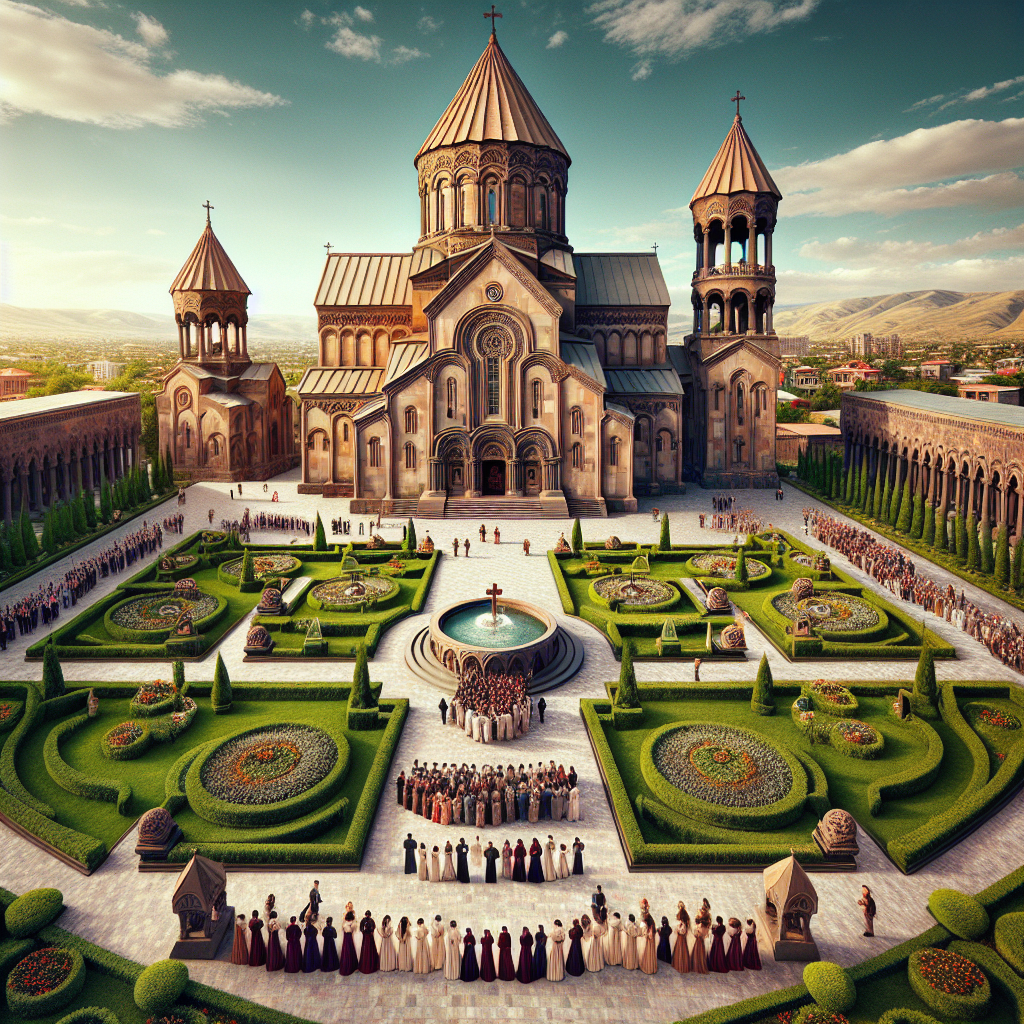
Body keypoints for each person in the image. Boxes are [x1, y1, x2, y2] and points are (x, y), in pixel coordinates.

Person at [673, 903, 691, 974]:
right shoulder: (683, 924)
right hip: (681, 938)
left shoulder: (683, 925)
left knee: (681, 950)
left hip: (681, 938)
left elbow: (682, 931)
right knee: (681, 950)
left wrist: (678, 930)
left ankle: (681, 965)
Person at [339, 910, 358, 975]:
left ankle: (345, 966)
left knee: (345, 951)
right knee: (350, 950)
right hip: (349, 937)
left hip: (345, 937)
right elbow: (353, 930)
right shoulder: (352, 923)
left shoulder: (344, 923)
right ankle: (351, 966)